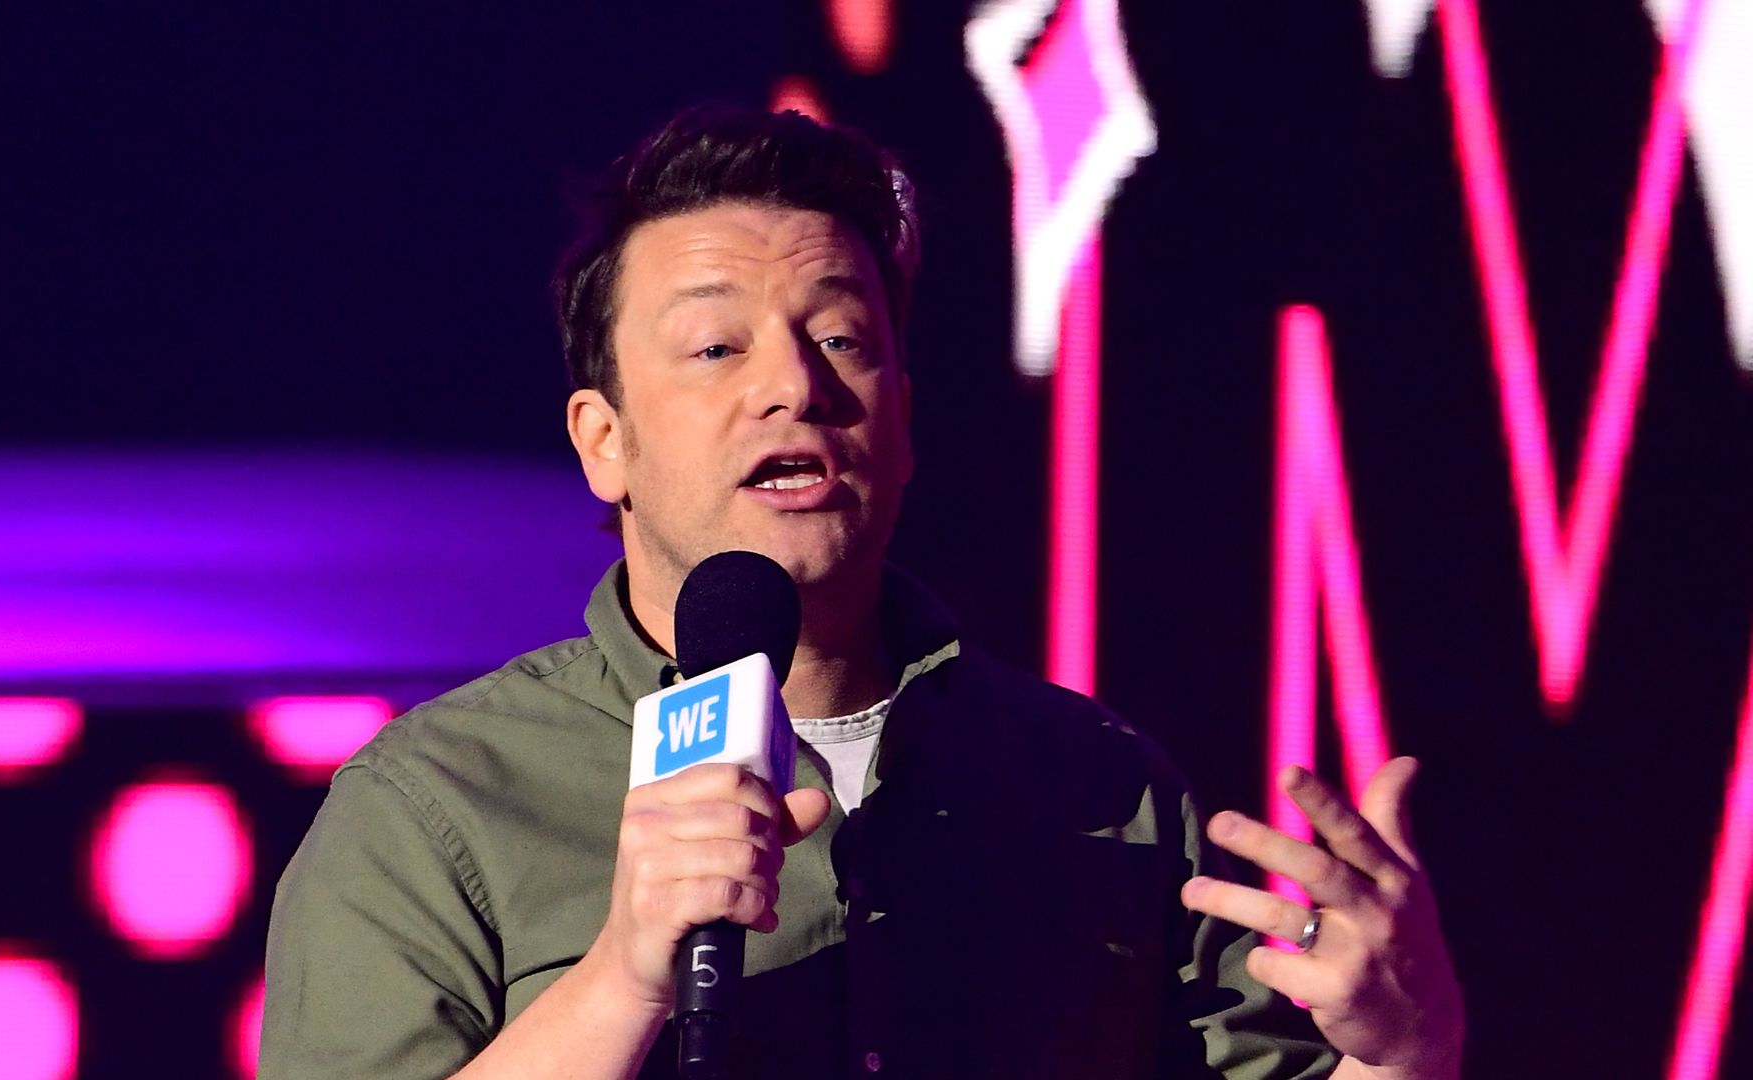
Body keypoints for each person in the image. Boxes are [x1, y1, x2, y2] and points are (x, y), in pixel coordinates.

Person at [258, 104, 1464, 1079]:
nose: (795, 386)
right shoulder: (440, 808)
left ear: (903, 423)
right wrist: (621, 977)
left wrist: (1406, 1054)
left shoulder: (1098, 786)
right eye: (717, 347)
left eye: (841, 339)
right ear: (604, 440)